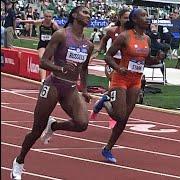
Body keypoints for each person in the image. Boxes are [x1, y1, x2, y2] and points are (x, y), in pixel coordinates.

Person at [10, 6, 94, 179]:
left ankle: (53, 126)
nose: (88, 15)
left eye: (89, 13)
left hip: (71, 88)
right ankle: (19, 161)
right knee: (36, 130)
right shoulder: (61, 35)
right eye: (84, 12)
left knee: (82, 124)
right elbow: (43, 62)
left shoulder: (88, 44)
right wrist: (60, 68)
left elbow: (84, 69)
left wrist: (84, 89)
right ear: (74, 15)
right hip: (54, 84)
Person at [95, 8, 165, 163]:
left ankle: (107, 149)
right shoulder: (125, 36)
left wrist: (157, 58)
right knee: (119, 115)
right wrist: (118, 67)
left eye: (147, 16)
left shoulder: (146, 39)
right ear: (134, 20)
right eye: (143, 16)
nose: (147, 19)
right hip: (121, 78)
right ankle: (105, 102)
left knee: (124, 118)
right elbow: (108, 56)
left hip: (136, 80)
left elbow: (146, 60)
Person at [90, 8, 130, 129]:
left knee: (123, 93)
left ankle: (100, 104)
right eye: (125, 17)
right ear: (119, 18)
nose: (127, 20)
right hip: (112, 64)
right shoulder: (113, 31)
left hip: (124, 65)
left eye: (129, 18)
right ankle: (112, 118)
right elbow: (104, 39)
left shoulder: (132, 32)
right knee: (115, 91)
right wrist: (98, 50)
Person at [16, 10, 60, 83]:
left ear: (52, 17)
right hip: (42, 44)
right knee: (42, 60)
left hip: (51, 45)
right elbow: (32, 22)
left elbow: (60, 33)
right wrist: (21, 21)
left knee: (51, 63)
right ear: (44, 16)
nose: (48, 18)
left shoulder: (54, 25)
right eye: (46, 16)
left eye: (49, 17)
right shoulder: (41, 22)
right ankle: (43, 80)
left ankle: (53, 79)